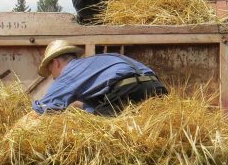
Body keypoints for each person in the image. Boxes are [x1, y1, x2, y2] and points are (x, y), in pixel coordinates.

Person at [32, 39, 168, 116]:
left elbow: (41, 110)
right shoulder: (95, 63)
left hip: (129, 90)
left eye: (51, 72)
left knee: (92, 128)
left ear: (56, 63)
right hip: (157, 88)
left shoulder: (69, 73)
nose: (54, 78)